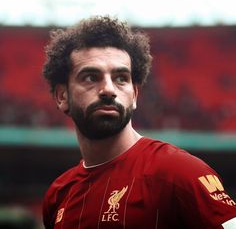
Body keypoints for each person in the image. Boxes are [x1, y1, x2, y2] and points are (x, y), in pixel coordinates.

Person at [42, 16, 236, 229]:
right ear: (62, 96)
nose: (108, 89)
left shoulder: (180, 173)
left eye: (121, 78)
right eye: (90, 77)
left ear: (134, 95)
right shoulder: (58, 195)